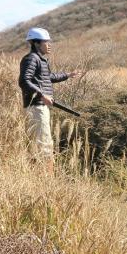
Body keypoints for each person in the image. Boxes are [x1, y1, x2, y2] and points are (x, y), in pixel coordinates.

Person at [19, 27, 81, 173]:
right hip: (37, 107)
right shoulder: (31, 59)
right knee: (44, 144)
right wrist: (41, 95)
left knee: (39, 143)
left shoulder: (40, 60)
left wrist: (68, 75)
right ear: (36, 43)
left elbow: (48, 78)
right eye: (46, 41)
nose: (49, 44)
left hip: (39, 106)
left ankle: (38, 176)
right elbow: (24, 81)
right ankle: (46, 178)